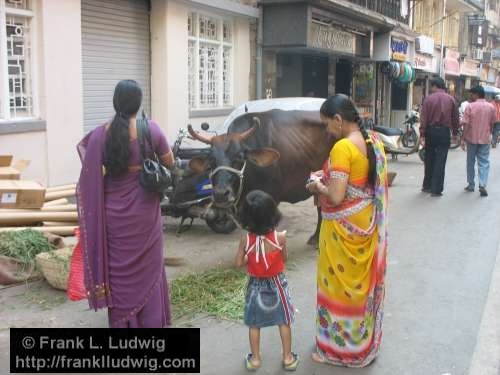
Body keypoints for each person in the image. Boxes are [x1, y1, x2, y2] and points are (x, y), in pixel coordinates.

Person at [76, 80, 174, 327]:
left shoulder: (100, 134)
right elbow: (170, 161)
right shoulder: (151, 129)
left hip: (112, 212)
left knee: (119, 270)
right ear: (138, 103)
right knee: (150, 265)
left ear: (115, 102)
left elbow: (90, 174)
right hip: (144, 209)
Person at [306, 94, 388, 367]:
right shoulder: (372, 141)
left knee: (338, 291)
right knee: (358, 291)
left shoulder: (342, 147)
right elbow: (360, 181)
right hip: (364, 225)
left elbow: (337, 195)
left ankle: (338, 351)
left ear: (339, 120)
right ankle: (360, 345)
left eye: (326, 124)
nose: (326, 130)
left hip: (343, 231)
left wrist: (318, 186)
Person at [235, 190, 299, 372]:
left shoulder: (245, 240)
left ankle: (255, 360)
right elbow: (284, 259)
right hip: (277, 284)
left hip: (255, 286)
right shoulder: (281, 237)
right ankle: (287, 358)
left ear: (246, 217)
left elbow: (238, 263)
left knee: (254, 323)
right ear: (273, 213)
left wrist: (250, 257)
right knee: (284, 320)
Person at [419, 77, 460, 197]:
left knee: (429, 159)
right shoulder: (451, 99)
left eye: (432, 86)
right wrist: (455, 133)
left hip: (431, 132)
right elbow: (455, 118)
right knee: (440, 160)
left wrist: (422, 134)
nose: (431, 89)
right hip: (444, 132)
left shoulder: (428, 99)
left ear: (435, 86)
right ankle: (436, 190)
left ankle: (427, 186)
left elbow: (424, 118)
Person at [461, 85, 496, 197]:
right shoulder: (491, 107)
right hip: (485, 138)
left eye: (472, 94)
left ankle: (471, 185)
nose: (470, 96)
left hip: (471, 138)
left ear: (476, 94)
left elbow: (466, 124)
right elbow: (493, 123)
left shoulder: (470, 107)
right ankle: (482, 184)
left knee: (470, 162)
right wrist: (489, 133)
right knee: (484, 162)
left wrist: (463, 138)